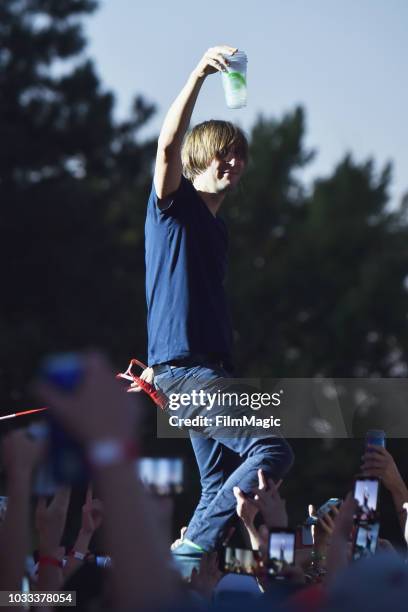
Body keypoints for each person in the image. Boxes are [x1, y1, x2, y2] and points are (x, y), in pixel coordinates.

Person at [143, 45, 294, 571]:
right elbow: (165, 148)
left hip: (199, 372)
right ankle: (186, 551)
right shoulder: (173, 208)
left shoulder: (218, 230)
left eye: (238, 155)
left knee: (216, 483)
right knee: (272, 448)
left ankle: (179, 575)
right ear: (197, 161)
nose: (232, 163)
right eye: (220, 154)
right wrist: (197, 77)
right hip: (187, 376)